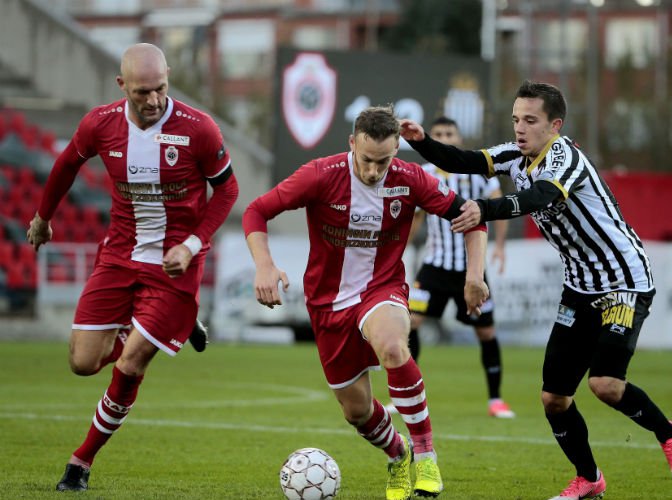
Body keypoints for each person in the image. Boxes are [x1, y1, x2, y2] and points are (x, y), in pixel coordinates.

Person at [400, 80, 672, 500]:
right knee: (554, 399)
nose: (520, 128)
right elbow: (465, 160)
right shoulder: (515, 155)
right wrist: (423, 142)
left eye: (530, 121)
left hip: (623, 280)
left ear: (555, 125)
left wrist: (484, 209)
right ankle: (589, 478)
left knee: (605, 384)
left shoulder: (567, 159)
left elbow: (540, 197)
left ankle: (669, 434)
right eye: (516, 119)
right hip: (579, 286)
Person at [242, 105, 489, 500]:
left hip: (382, 288)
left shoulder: (411, 179)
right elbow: (256, 212)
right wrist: (265, 266)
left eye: (384, 161)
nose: (375, 171)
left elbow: (474, 219)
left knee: (394, 346)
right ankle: (398, 454)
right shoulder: (320, 175)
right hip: (327, 304)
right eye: (367, 160)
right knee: (356, 412)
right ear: (351, 143)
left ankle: (426, 456)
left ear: (397, 151)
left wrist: (474, 275)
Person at [26, 43, 238, 491]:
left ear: (169, 78)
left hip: (176, 266)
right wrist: (44, 219)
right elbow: (65, 165)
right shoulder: (101, 124)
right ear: (122, 85)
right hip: (119, 257)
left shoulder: (199, 129)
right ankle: (168, 325)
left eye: (161, 88)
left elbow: (228, 191)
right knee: (83, 363)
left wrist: (193, 244)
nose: (154, 100)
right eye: (143, 92)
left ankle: (80, 463)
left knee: (131, 363)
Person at [405, 116, 515, 419]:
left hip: (471, 270)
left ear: (459, 137)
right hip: (434, 267)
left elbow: (499, 206)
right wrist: (398, 253)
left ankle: (495, 400)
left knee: (486, 331)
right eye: (437, 133)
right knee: (410, 323)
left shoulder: (479, 172)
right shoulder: (425, 173)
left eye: (448, 133)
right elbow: (414, 218)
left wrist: (501, 246)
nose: (442, 137)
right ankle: (405, 395)